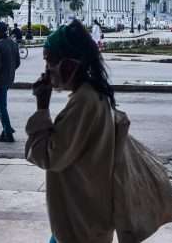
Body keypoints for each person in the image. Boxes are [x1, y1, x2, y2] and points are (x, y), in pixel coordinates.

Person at [26, 20, 118, 243]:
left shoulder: (84, 102)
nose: (47, 70)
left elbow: (48, 156)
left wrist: (42, 106)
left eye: (50, 61)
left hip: (81, 219)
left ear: (68, 65)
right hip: (84, 211)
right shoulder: (93, 94)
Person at [0, 21, 20, 142]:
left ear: (0, 32)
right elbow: (17, 63)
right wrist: (10, 71)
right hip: (9, 79)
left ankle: (8, 133)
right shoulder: (13, 44)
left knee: (1, 106)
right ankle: (7, 127)